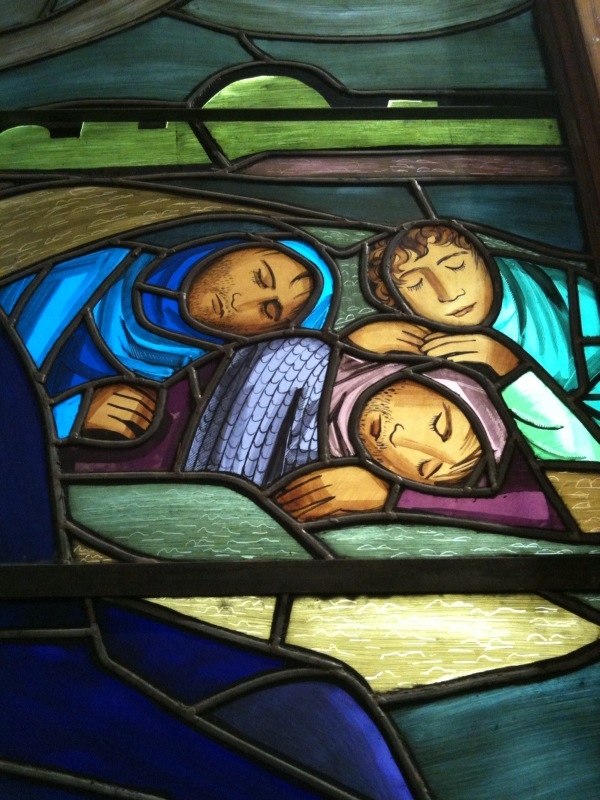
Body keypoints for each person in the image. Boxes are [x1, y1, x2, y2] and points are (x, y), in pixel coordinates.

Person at [0, 236, 335, 439]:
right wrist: (71, 415)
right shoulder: (84, 271)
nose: (241, 301)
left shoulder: (196, 387)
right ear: (232, 249)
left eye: (269, 311)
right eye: (260, 277)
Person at [356, 222, 600, 418]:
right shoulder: (407, 339)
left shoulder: (580, 305)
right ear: (394, 301)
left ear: (483, 258)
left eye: (456, 265)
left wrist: (509, 367)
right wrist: (356, 350)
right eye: (416, 283)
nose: (448, 293)